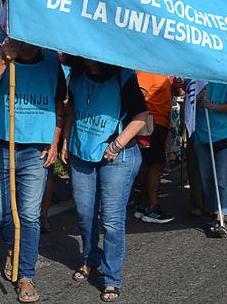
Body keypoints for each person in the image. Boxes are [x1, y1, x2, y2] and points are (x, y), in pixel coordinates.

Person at [0, 39, 66, 303]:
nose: (28, 45)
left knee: (29, 216)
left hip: (34, 150)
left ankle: (26, 275)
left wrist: (54, 141)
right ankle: (13, 247)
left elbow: (59, 104)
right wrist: (5, 60)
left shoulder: (52, 63)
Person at [61, 57, 147, 303]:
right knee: (85, 213)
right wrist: (66, 139)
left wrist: (117, 144)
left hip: (117, 157)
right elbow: (71, 110)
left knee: (111, 219)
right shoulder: (75, 74)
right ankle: (90, 258)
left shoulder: (123, 75)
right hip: (81, 153)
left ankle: (111, 278)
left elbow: (141, 115)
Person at [194, 82, 227, 237]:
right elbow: (186, 102)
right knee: (207, 179)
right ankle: (212, 211)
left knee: (222, 180)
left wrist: (211, 105)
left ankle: (220, 216)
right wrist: (197, 102)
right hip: (202, 136)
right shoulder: (197, 82)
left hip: (225, 137)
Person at [133, 71, 176, 224]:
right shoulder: (147, 70)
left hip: (158, 123)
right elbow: (138, 96)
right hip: (152, 123)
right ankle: (152, 207)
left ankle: (144, 204)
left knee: (150, 163)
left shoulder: (160, 71)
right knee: (155, 165)